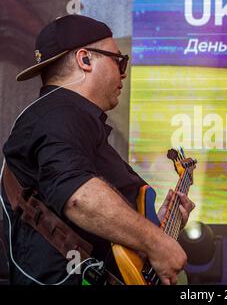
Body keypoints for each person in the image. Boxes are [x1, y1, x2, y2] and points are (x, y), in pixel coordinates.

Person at [0, 15, 195, 285]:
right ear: (86, 60)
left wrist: (149, 224)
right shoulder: (59, 113)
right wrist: (156, 242)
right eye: (119, 60)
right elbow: (79, 195)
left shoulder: (66, 118)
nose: (123, 72)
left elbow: (88, 216)